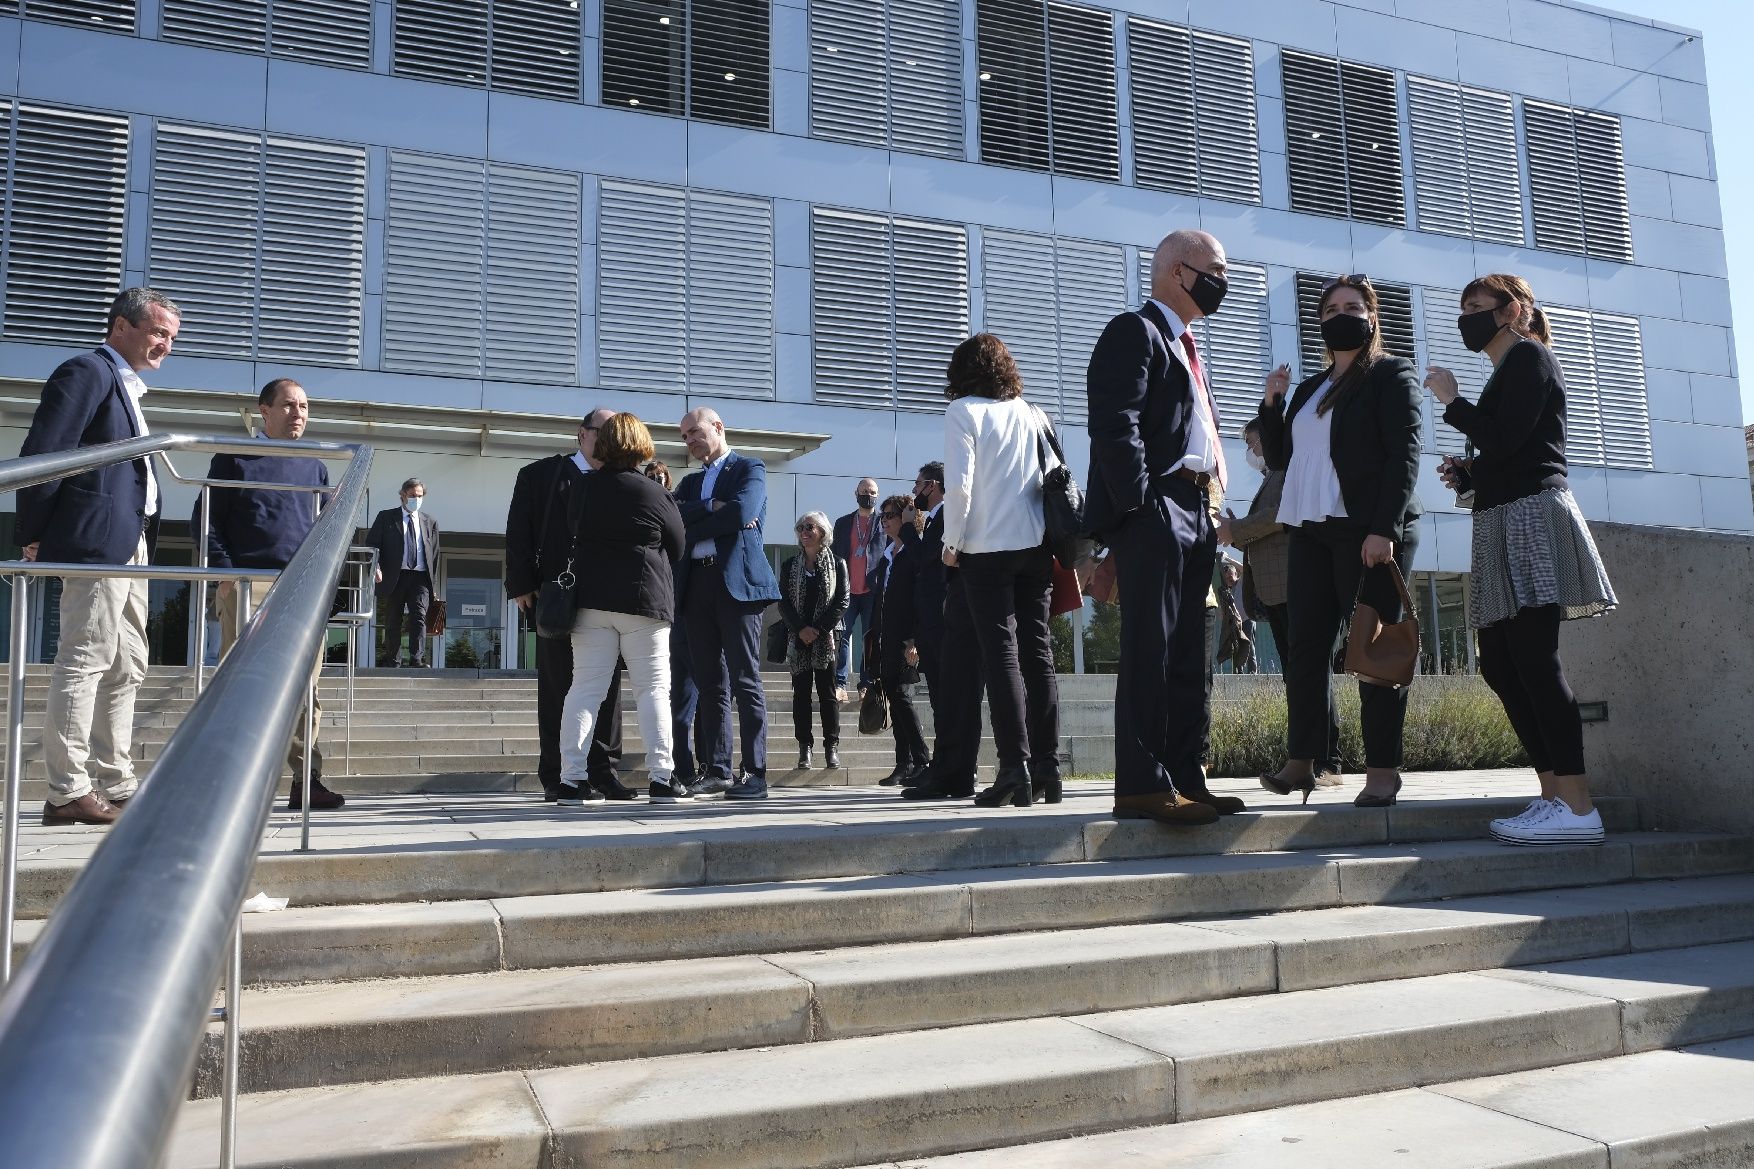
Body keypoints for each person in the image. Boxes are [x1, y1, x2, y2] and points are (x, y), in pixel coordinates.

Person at [1429, 274, 1617, 846]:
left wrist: (1452, 402)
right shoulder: (1507, 371)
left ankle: (1579, 806)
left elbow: (1511, 440)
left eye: (1478, 308)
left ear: (1514, 310)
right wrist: (1469, 473)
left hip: (1533, 517)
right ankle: (1553, 794)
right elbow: (1509, 448)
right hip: (1501, 518)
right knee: (1503, 665)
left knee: (1535, 658)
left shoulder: (1531, 357)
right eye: (1463, 309)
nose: (1468, 318)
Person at [1085, 229, 1240, 826]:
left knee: (1187, 653)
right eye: (1215, 269)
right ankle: (1143, 782)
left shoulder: (1186, 344)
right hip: (1159, 507)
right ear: (1178, 272)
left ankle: (1185, 776)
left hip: (1198, 510)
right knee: (1152, 644)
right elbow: (1115, 425)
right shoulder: (1135, 331)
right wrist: (1143, 506)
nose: (1223, 280)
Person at [1256, 274, 1423, 808]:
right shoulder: (1311, 388)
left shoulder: (1391, 375)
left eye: (1352, 306)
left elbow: (1405, 455)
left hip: (1369, 530)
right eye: (1330, 310)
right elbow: (1283, 459)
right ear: (1320, 323)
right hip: (1311, 530)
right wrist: (1273, 405)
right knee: (1305, 647)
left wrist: (1383, 529)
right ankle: (1302, 760)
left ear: (1372, 316)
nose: (1340, 315)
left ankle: (1382, 771)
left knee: (1372, 649)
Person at [18, 288, 178, 827]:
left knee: (129, 663)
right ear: (120, 327)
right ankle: (67, 789)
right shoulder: (86, 372)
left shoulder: (130, 388)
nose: (165, 346)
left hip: (129, 545)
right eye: (157, 332)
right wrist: (36, 530)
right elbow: (44, 452)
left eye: (171, 337)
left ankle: (117, 779)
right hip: (95, 541)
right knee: (86, 657)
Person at [194, 377, 343, 810]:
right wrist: (223, 573)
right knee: (241, 686)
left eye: (304, 406)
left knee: (306, 689)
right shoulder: (234, 456)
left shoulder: (315, 466)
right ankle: (229, 779)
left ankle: (306, 780)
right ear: (265, 411)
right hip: (247, 583)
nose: (298, 413)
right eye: (289, 405)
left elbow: (323, 526)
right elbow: (206, 520)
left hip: (302, 585)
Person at [941, 333, 1061, 808]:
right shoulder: (1033, 412)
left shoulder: (963, 412)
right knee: (1038, 651)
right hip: (1035, 545)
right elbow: (1053, 474)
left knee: (1002, 655)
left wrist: (951, 545)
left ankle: (1015, 767)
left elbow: (961, 487)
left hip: (986, 547)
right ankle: (1048, 766)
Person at [554, 413, 687, 805]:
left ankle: (571, 780)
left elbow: (572, 532)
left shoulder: (582, 487)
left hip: (591, 602)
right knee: (652, 691)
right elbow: (678, 547)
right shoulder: (653, 492)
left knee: (584, 690)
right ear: (641, 444)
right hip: (644, 601)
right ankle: (662, 778)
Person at [505, 409, 632, 802]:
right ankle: (558, 774)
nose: (610, 440)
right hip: (556, 597)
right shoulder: (540, 475)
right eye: (602, 432)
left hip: (608, 598)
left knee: (607, 687)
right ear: (582, 434)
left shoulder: (624, 481)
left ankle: (604, 772)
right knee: (559, 686)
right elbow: (518, 532)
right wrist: (522, 584)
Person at [1222, 418, 1344, 786]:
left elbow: (1279, 514)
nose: (1251, 451)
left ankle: (1327, 761)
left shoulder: (1289, 467)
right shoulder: (1273, 474)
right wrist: (1238, 530)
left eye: (1253, 441)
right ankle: (1310, 758)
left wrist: (1236, 530)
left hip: (1296, 585)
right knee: (1298, 675)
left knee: (1310, 673)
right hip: (1276, 589)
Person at [674, 407, 782, 800]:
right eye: (684, 436)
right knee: (710, 684)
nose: (688, 441)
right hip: (695, 585)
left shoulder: (749, 469)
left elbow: (743, 512)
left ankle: (754, 773)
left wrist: (712, 515)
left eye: (694, 432)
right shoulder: (688, 483)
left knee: (745, 678)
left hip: (736, 585)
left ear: (718, 427)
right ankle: (717, 769)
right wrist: (711, 508)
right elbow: (673, 517)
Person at [646, 458, 708, 786]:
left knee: (708, 698)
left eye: (661, 476)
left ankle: (711, 766)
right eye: (651, 477)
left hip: (692, 613)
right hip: (667, 618)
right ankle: (682, 769)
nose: (657, 480)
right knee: (679, 704)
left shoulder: (680, 509)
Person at [777, 511, 848, 770]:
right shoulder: (789, 566)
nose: (803, 532)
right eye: (800, 528)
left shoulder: (838, 563)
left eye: (809, 527)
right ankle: (804, 748)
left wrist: (816, 629)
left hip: (826, 638)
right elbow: (783, 602)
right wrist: (800, 629)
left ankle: (831, 747)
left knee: (828, 695)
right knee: (801, 696)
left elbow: (842, 600)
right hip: (798, 639)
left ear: (823, 533)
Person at [868, 495, 931, 786]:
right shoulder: (887, 556)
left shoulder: (913, 552)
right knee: (894, 696)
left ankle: (921, 759)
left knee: (902, 697)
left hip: (906, 639)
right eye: (883, 516)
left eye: (891, 515)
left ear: (908, 518)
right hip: (886, 638)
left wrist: (914, 639)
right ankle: (903, 763)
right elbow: (879, 602)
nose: (885, 521)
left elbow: (920, 600)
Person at [366, 478, 440, 667]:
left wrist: (434, 585)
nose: (416, 499)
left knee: (419, 616)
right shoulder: (386, 517)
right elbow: (372, 544)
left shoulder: (429, 522)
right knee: (393, 619)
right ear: (402, 496)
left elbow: (435, 555)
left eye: (420, 496)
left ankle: (417, 658)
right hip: (394, 576)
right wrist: (376, 567)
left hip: (420, 577)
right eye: (412, 496)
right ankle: (393, 660)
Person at [831, 478, 884, 699]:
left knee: (869, 638)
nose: (868, 495)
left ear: (877, 495)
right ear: (856, 493)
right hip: (847, 592)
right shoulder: (843, 523)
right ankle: (840, 684)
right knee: (842, 635)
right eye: (864, 491)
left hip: (872, 591)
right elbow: (834, 557)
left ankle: (865, 683)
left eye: (871, 492)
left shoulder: (884, 523)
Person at [1217, 559, 1256, 673]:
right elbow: (1222, 614)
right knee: (1236, 650)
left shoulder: (1242, 582)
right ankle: (1238, 676)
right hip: (1235, 623)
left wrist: (1227, 559)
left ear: (1236, 574)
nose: (1229, 579)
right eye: (1226, 577)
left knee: (1249, 649)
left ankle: (1253, 674)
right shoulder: (1226, 591)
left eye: (1231, 575)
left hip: (1248, 620)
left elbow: (1245, 568)